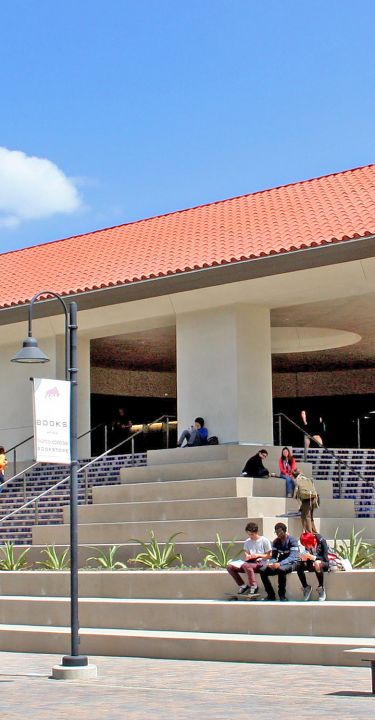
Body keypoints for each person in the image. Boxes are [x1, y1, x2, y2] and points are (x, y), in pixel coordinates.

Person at [226, 521, 272, 595]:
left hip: (260, 562)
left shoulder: (264, 540)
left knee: (245, 565)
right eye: (249, 534)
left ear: (256, 532)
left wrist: (258, 555)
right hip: (250, 562)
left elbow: (269, 555)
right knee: (230, 567)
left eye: (252, 534)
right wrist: (247, 556)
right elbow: (247, 553)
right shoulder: (248, 541)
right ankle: (243, 585)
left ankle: (254, 586)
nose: (251, 536)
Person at [259, 522, 299, 601]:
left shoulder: (292, 540)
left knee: (281, 570)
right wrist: (272, 563)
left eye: (280, 532)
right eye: (276, 533)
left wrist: (280, 564)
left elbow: (293, 556)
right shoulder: (276, 542)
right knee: (262, 570)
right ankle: (270, 595)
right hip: (280, 563)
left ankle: (282, 595)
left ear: (285, 531)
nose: (278, 534)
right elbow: (274, 556)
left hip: (291, 563)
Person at [297, 531, 329, 602]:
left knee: (317, 563)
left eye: (306, 544)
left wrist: (313, 557)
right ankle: (305, 587)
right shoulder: (307, 547)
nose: (306, 546)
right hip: (312, 563)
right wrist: (304, 558)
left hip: (323, 563)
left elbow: (325, 558)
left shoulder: (322, 541)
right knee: (299, 565)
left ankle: (321, 587)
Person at [293, 468, 318, 533]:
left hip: (306, 500)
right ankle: (314, 532)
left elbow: (297, 490)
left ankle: (309, 533)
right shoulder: (306, 479)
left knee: (306, 517)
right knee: (311, 517)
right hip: (313, 498)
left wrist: (295, 497)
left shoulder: (298, 479)